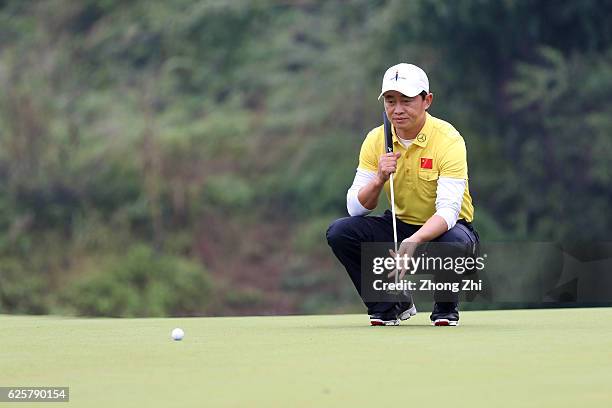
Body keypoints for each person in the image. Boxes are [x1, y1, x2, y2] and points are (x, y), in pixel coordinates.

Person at [326, 63, 479, 326]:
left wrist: (414, 241)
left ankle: (445, 309)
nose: (397, 109)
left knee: (453, 241)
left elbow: (448, 212)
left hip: (446, 232)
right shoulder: (376, 139)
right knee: (341, 232)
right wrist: (379, 179)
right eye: (390, 100)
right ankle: (390, 304)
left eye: (406, 101)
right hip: (399, 226)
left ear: (426, 100)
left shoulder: (448, 140)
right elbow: (356, 207)